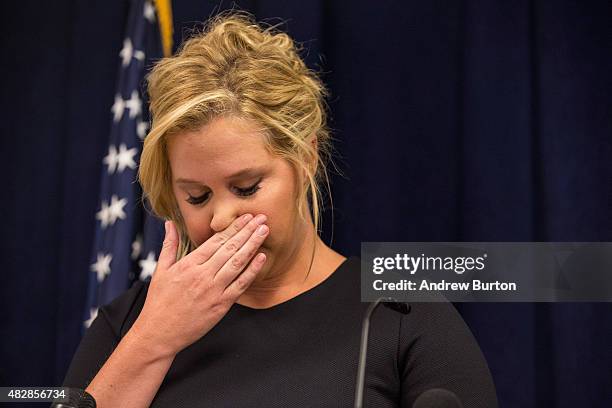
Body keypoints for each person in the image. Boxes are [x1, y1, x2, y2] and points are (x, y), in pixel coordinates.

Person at [62, 12, 498, 407]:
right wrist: (154, 339)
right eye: (196, 197)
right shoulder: (129, 324)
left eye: (247, 187)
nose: (219, 219)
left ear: (305, 158)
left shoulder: (401, 314)